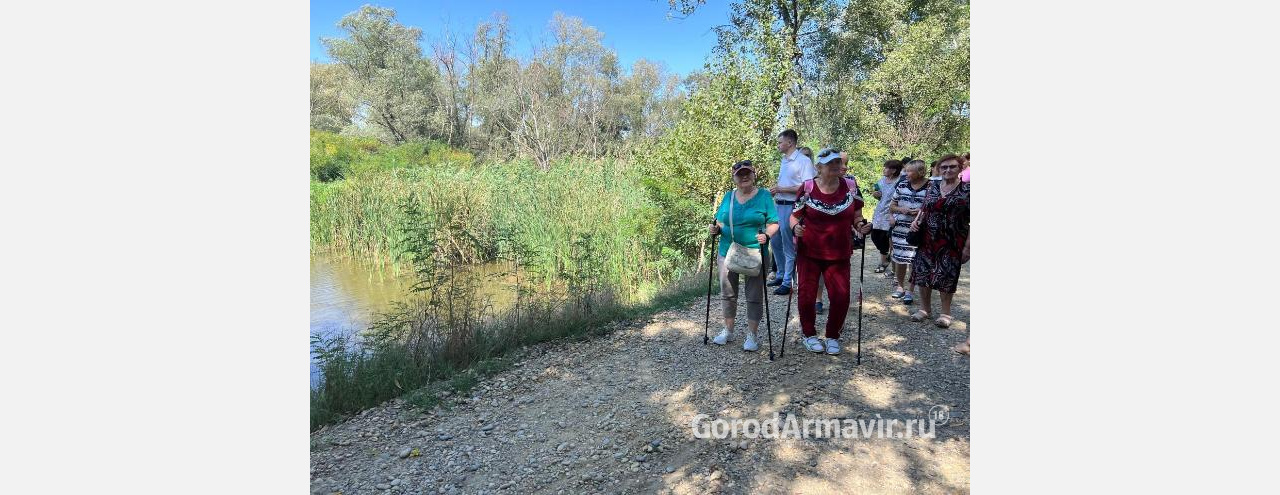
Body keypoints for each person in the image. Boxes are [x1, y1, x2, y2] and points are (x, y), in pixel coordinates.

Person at [790, 148, 872, 355]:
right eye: (830, 163)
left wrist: (861, 225)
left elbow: (856, 216)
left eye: (837, 162)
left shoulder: (851, 187)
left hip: (839, 252)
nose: (836, 166)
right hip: (809, 251)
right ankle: (809, 334)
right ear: (819, 167)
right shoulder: (807, 188)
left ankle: (832, 335)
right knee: (806, 295)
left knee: (841, 297)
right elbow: (794, 216)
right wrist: (795, 228)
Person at [708, 160, 780, 351]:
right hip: (728, 251)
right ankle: (728, 330)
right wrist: (715, 229)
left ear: (754, 175)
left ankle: (752, 335)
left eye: (748, 173)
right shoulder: (728, 196)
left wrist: (767, 235)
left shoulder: (764, 196)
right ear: (734, 178)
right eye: (740, 174)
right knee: (727, 292)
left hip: (755, 252)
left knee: (754, 295)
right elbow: (720, 221)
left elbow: (774, 222)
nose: (744, 177)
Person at [908, 154, 970, 328]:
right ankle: (924, 309)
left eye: (952, 166)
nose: (948, 170)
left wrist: (968, 246)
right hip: (927, 238)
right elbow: (924, 208)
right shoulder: (932, 186)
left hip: (953, 241)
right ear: (939, 169)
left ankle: (945, 313)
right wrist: (915, 222)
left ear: (960, 168)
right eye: (944, 167)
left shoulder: (968, 190)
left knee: (947, 275)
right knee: (923, 273)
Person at [766, 129, 815, 296]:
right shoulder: (784, 160)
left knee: (788, 245)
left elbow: (808, 187)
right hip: (778, 205)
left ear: (790, 142)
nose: (778, 145)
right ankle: (780, 274)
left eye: (780, 142)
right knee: (775, 240)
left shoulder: (803, 161)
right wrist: (777, 191)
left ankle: (788, 282)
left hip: (791, 206)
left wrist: (782, 189)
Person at [888, 160, 929, 304]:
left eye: (909, 171)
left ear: (920, 172)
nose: (906, 174)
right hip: (900, 229)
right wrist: (902, 209)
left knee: (914, 260)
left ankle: (910, 291)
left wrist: (921, 212)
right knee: (899, 259)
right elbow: (892, 206)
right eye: (906, 170)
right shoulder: (902, 185)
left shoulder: (931, 186)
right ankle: (900, 287)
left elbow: (934, 207)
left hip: (919, 230)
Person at [870, 159, 904, 277]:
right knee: (875, 236)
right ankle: (887, 256)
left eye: (886, 167)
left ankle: (885, 262)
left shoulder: (900, 182)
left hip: (892, 213)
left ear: (894, 170)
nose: (884, 169)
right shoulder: (882, 180)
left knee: (888, 238)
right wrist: (875, 194)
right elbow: (877, 192)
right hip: (880, 213)